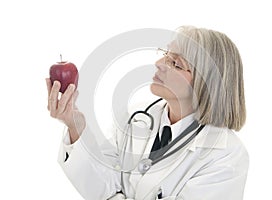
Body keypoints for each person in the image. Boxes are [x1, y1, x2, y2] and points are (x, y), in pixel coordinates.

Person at [46, 26, 249, 200]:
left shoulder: (225, 155)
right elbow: (102, 185)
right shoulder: (136, 117)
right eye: (165, 54)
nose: (159, 64)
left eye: (176, 63)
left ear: (207, 84)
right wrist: (75, 126)